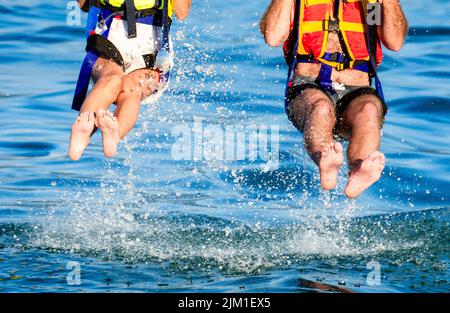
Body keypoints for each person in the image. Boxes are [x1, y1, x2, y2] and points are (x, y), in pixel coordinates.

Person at [260, 0, 408, 198]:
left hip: (356, 90)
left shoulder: (370, 4)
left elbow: (395, 42)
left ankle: (358, 171)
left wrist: (389, 3)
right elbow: (273, 37)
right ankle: (325, 159)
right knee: (320, 107)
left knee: (369, 110)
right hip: (308, 87)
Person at [69, 0, 191, 160]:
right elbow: (85, 5)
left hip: (149, 49)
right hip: (109, 35)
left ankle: (112, 133)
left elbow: (181, 12)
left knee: (131, 87)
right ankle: (83, 133)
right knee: (113, 79)